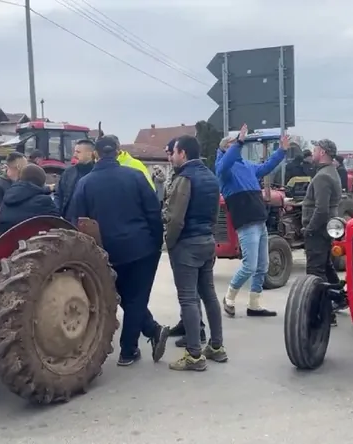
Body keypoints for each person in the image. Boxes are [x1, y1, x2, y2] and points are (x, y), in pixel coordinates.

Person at [67, 136, 169, 367]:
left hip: (105, 251)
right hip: (141, 247)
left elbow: (78, 221)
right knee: (137, 298)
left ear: (96, 154)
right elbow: (153, 212)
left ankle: (153, 330)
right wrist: (155, 242)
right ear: (118, 151)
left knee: (125, 297)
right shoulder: (135, 176)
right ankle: (128, 350)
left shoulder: (85, 183)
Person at [164, 135, 227, 371]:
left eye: (175, 152)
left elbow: (175, 219)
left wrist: (169, 243)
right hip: (206, 241)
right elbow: (214, 215)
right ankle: (217, 347)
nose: (173, 156)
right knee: (209, 295)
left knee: (188, 299)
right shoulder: (211, 177)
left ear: (183, 153)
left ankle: (193, 354)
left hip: (187, 245)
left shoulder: (185, 179)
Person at [216, 124, 287, 317]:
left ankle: (254, 305)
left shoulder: (247, 166)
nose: (239, 146)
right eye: (233, 144)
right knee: (249, 265)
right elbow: (225, 163)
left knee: (262, 266)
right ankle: (229, 297)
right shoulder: (224, 169)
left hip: (259, 220)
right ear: (225, 148)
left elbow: (266, 167)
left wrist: (281, 151)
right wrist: (238, 141)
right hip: (246, 222)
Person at [301, 139, 344, 326]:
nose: (313, 151)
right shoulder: (331, 172)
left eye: (316, 149)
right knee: (325, 266)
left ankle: (323, 314)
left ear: (324, 152)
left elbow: (322, 210)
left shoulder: (322, 177)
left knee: (315, 274)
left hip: (318, 231)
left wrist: (309, 229)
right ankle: (340, 297)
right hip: (325, 229)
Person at [0, 164, 59, 235]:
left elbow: (28, 190)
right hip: (32, 243)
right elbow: (58, 224)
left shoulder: (8, 197)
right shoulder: (44, 201)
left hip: (5, 242)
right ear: (41, 183)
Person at [54, 139, 95, 218]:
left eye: (78, 152)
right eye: (75, 151)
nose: (74, 155)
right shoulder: (68, 172)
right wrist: (57, 213)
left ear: (90, 154)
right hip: (68, 222)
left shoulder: (97, 174)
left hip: (89, 224)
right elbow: (59, 195)